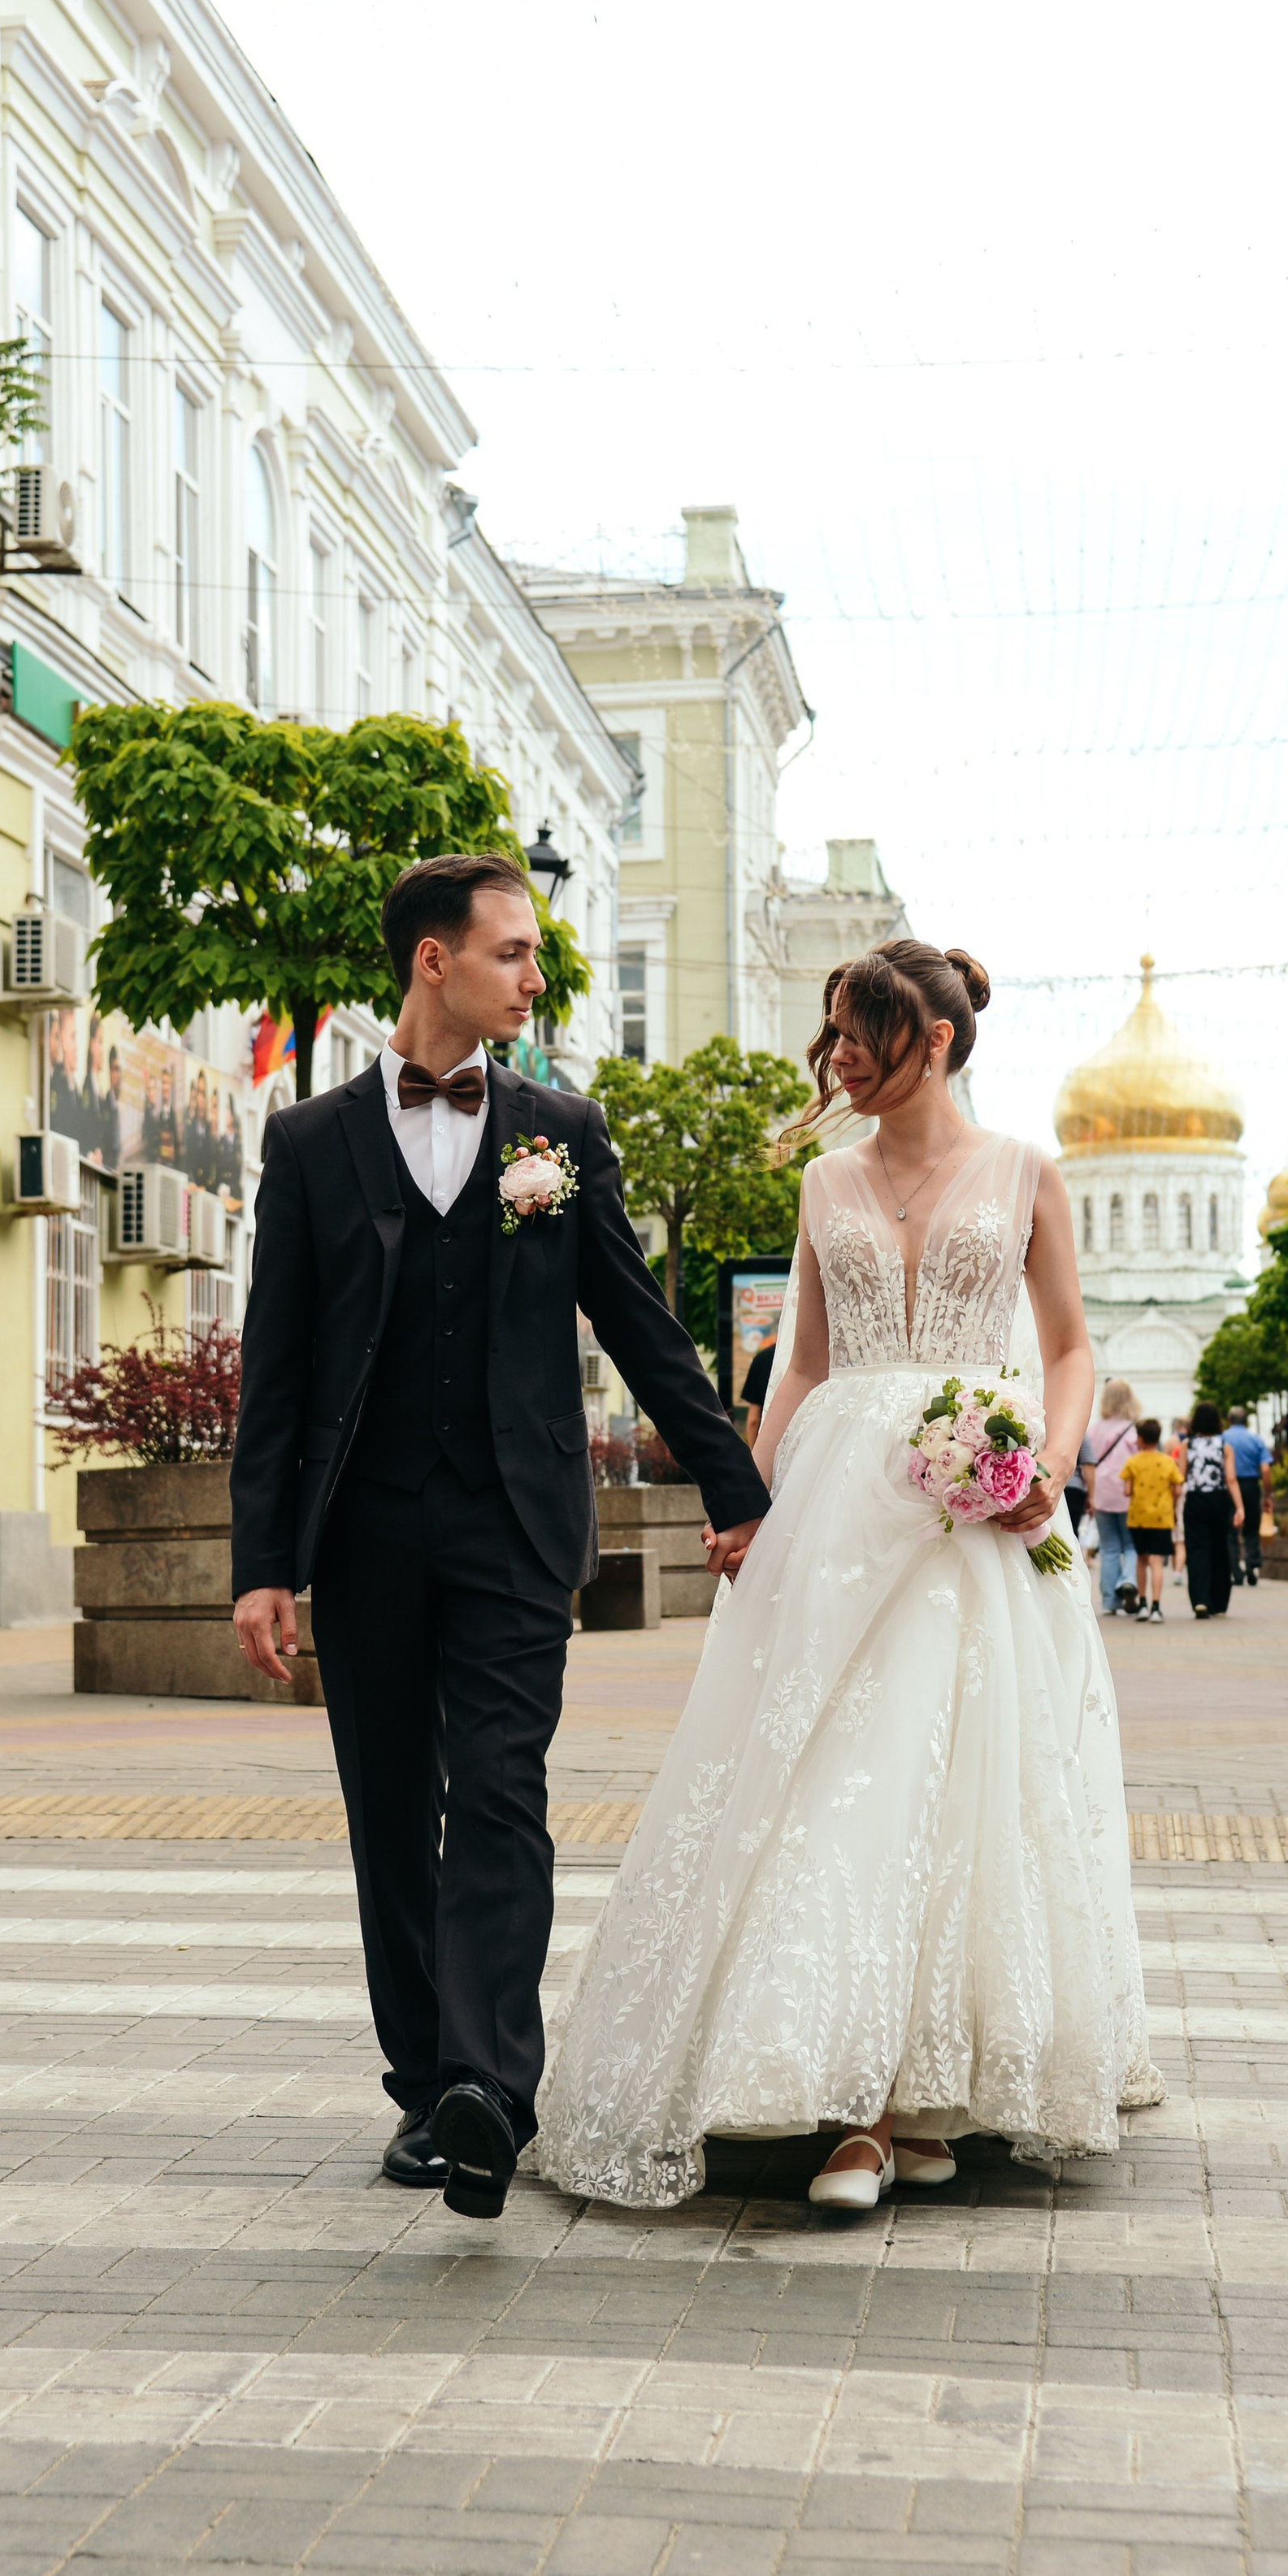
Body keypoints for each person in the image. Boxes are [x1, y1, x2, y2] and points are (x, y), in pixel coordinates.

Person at [537, 939, 1164, 2214]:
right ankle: (870, 2105)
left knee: (968, 1784)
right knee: (834, 1765)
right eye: (830, 1038)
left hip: (978, 1506)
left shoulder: (1025, 1169)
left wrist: (1047, 1460)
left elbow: (1069, 1344)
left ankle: (918, 2103)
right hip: (840, 1499)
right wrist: (748, 1497)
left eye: (857, 1040)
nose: (836, 1062)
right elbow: (806, 1364)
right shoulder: (826, 1182)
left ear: (931, 1039)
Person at [229, 852, 767, 2224]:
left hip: (518, 1519)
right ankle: (423, 2079)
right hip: (361, 1531)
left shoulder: (559, 1132)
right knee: (392, 1803)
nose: (538, 975)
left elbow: (639, 1320)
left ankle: (487, 2083)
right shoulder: (308, 1144)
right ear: (434, 960)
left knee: (504, 1787)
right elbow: (276, 1375)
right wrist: (260, 1563)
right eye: (515, 952)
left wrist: (735, 1482)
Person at [1082, 1377, 1142, 1618]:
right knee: (1130, 1544)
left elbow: (1090, 1460)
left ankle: (1109, 1599)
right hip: (1129, 1493)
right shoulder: (1133, 1429)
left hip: (1103, 1493)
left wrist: (1091, 1496)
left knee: (1107, 1547)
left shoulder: (1095, 1428)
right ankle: (1128, 1580)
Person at [1180, 1399, 1241, 1618]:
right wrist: (1240, 1508)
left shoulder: (1187, 1445)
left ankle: (1200, 1600)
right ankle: (1220, 1602)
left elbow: (1181, 1477)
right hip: (1219, 1501)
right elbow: (1231, 1479)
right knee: (1219, 1550)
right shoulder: (1225, 1446)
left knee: (1197, 1551)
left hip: (1195, 1500)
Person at [1123, 1418, 1180, 1622]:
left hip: (1138, 1518)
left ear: (1140, 1438)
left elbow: (1127, 1490)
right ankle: (1157, 1608)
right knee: (1157, 1562)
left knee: (1141, 1560)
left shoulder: (1133, 1462)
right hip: (1161, 1518)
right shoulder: (1168, 1462)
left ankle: (1143, 1604)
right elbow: (1178, 1488)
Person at [1225, 1404, 1271, 1585]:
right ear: (1247, 1421)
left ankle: (1236, 1571)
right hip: (1251, 1486)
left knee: (1230, 1531)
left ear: (1229, 1420)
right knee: (1251, 1528)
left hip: (1229, 1488)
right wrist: (1268, 1493)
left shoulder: (1224, 1438)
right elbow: (1266, 1469)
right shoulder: (1256, 1440)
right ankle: (1252, 1565)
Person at [739, 1327, 777, 1446]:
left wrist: (754, 1455)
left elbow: (753, 1421)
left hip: (769, 1444)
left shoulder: (761, 1359)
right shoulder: (813, 1358)